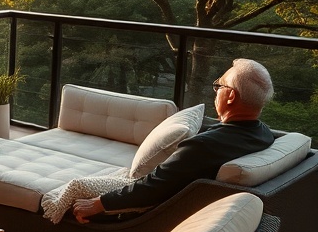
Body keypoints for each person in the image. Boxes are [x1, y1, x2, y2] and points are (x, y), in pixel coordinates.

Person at [72, 58, 275, 223]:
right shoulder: (264, 134)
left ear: (230, 96)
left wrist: (99, 203)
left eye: (219, 85)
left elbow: (154, 186)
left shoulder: (202, 147)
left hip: (149, 223)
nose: (216, 91)